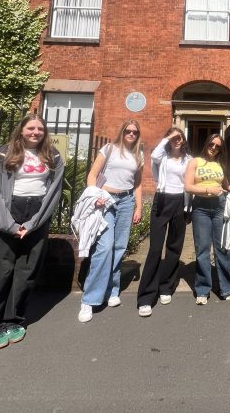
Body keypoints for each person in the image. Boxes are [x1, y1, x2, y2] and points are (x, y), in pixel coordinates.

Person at [0, 113, 64, 349]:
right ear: (21, 129)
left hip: (36, 215)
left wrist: (34, 223)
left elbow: (53, 193)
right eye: (31, 128)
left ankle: (13, 320)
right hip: (6, 214)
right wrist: (10, 225)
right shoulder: (3, 154)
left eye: (40, 129)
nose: (35, 132)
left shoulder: (53, 156)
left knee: (26, 272)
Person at [78, 120, 144, 323]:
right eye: (128, 131)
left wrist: (139, 206)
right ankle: (89, 299)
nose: (131, 134)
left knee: (119, 247)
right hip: (105, 199)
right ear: (122, 131)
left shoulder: (139, 155)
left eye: (134, 132)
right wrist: (95, 194)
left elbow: (138, 183)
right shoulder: (108, 149)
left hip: (126, 201)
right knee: (104, 247)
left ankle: (112, 289)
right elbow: (92, 174)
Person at [184, 133, 230, 305]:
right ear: (207, 144)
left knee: (223, 248)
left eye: (218, 146)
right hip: (201, 208)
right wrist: (208, 190)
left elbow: (228, 187)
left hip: (219, 207)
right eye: (212, 144)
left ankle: (229, 288)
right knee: (202, 250)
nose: (214, 148)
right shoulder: (195, 162)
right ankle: (202, 290)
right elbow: (187, 186)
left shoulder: (220, 165)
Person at [136, 127, 192, 317]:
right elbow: (154, 155)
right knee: (155, 249)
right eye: (174, 137)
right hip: (162, 201)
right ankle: (146, 297)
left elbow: (192, 181)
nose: (178, 140)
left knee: (175, 247)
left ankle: (166, 286)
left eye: (180, 137)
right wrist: (168, 136)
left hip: (180, 203)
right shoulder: (163, 157)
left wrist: (188, 207)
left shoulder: (189, 160)